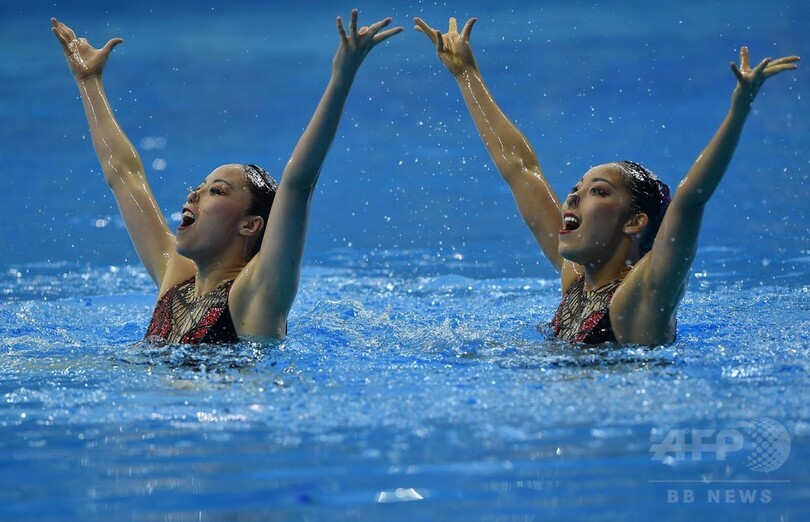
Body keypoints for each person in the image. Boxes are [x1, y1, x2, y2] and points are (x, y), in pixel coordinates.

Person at [415, 17, 799, 345]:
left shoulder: (644, 295)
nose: (572, 198)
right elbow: (520, 168)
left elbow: (690, 200)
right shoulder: (577, 278)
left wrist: (739, 111)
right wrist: (466, 74)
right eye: (576, 189)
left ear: (634, 221)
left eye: (598, 191)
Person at [52, 10, 402, 344]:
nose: (193, 196)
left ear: (250, 225)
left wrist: (341, 79)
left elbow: (298, 183)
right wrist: (89, 82)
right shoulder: (176, 276)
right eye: (198, 188)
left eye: (216, 191)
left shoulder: (257, 295)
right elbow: (125, 176)